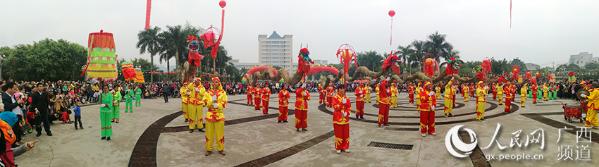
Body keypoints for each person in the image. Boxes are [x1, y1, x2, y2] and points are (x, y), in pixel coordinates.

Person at [204, 77, 228, 156]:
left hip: (219, 115)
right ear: (211, 83)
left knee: (220, 133)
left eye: (216, 82)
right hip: (210, 115)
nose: (215, 84)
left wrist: (218, 104)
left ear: (219, 83)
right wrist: (210, 102)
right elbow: (204, 102)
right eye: (213, 82)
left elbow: (224, 103)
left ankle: (220, 149)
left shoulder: (223, 92)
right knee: (209, 134)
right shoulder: (208, 92)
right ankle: (208, 149)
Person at [332, 85, 351, 153]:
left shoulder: (347, 97)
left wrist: (347, 112)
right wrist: (341, 103)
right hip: (338, 117)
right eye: (341, 88)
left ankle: (345, 146)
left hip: (345, 118)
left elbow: (349, 107)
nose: (342, 90)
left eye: (343, 88)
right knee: (338, 133)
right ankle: (338, 147)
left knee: (346, 133)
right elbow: (335, 107)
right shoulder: (335, 97)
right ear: (338, 90)